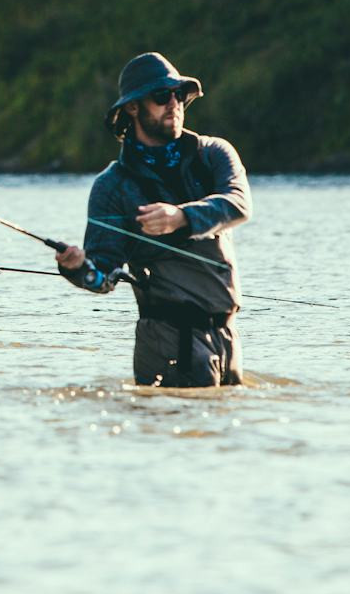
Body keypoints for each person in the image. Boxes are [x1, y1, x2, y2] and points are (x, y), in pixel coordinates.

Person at [55, 52, 251, 387]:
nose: (173, 103)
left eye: (179, 94)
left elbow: (238, 205)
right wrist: (76, 268)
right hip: (167, 339)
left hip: (227, 336)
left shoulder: (214, 154)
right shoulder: (112, 186)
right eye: (161, 96)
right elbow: (102, 276)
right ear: (132, 107)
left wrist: (181, 217)